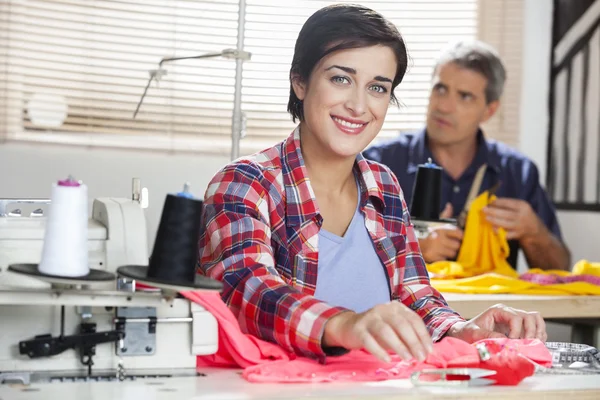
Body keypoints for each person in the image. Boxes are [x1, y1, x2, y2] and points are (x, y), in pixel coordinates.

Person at [197, 4, 547, 364]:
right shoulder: (243, 183)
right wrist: (345, 324)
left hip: (378, 386)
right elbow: (246, 292)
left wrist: (462, 329)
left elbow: (416, 295)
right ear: (300, 81)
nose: (358, 105)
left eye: (377, 87)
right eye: (341, 79)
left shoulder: (384, 185)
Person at [363, 40, 570, 271]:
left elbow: (560, 271)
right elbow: (343, 259)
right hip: (403, 307)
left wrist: (535, 233)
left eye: (465, 96)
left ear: (489, 110)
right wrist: (411, 248)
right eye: (440, 89)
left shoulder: (519, 172)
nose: (444, 106)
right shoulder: (378, 162)